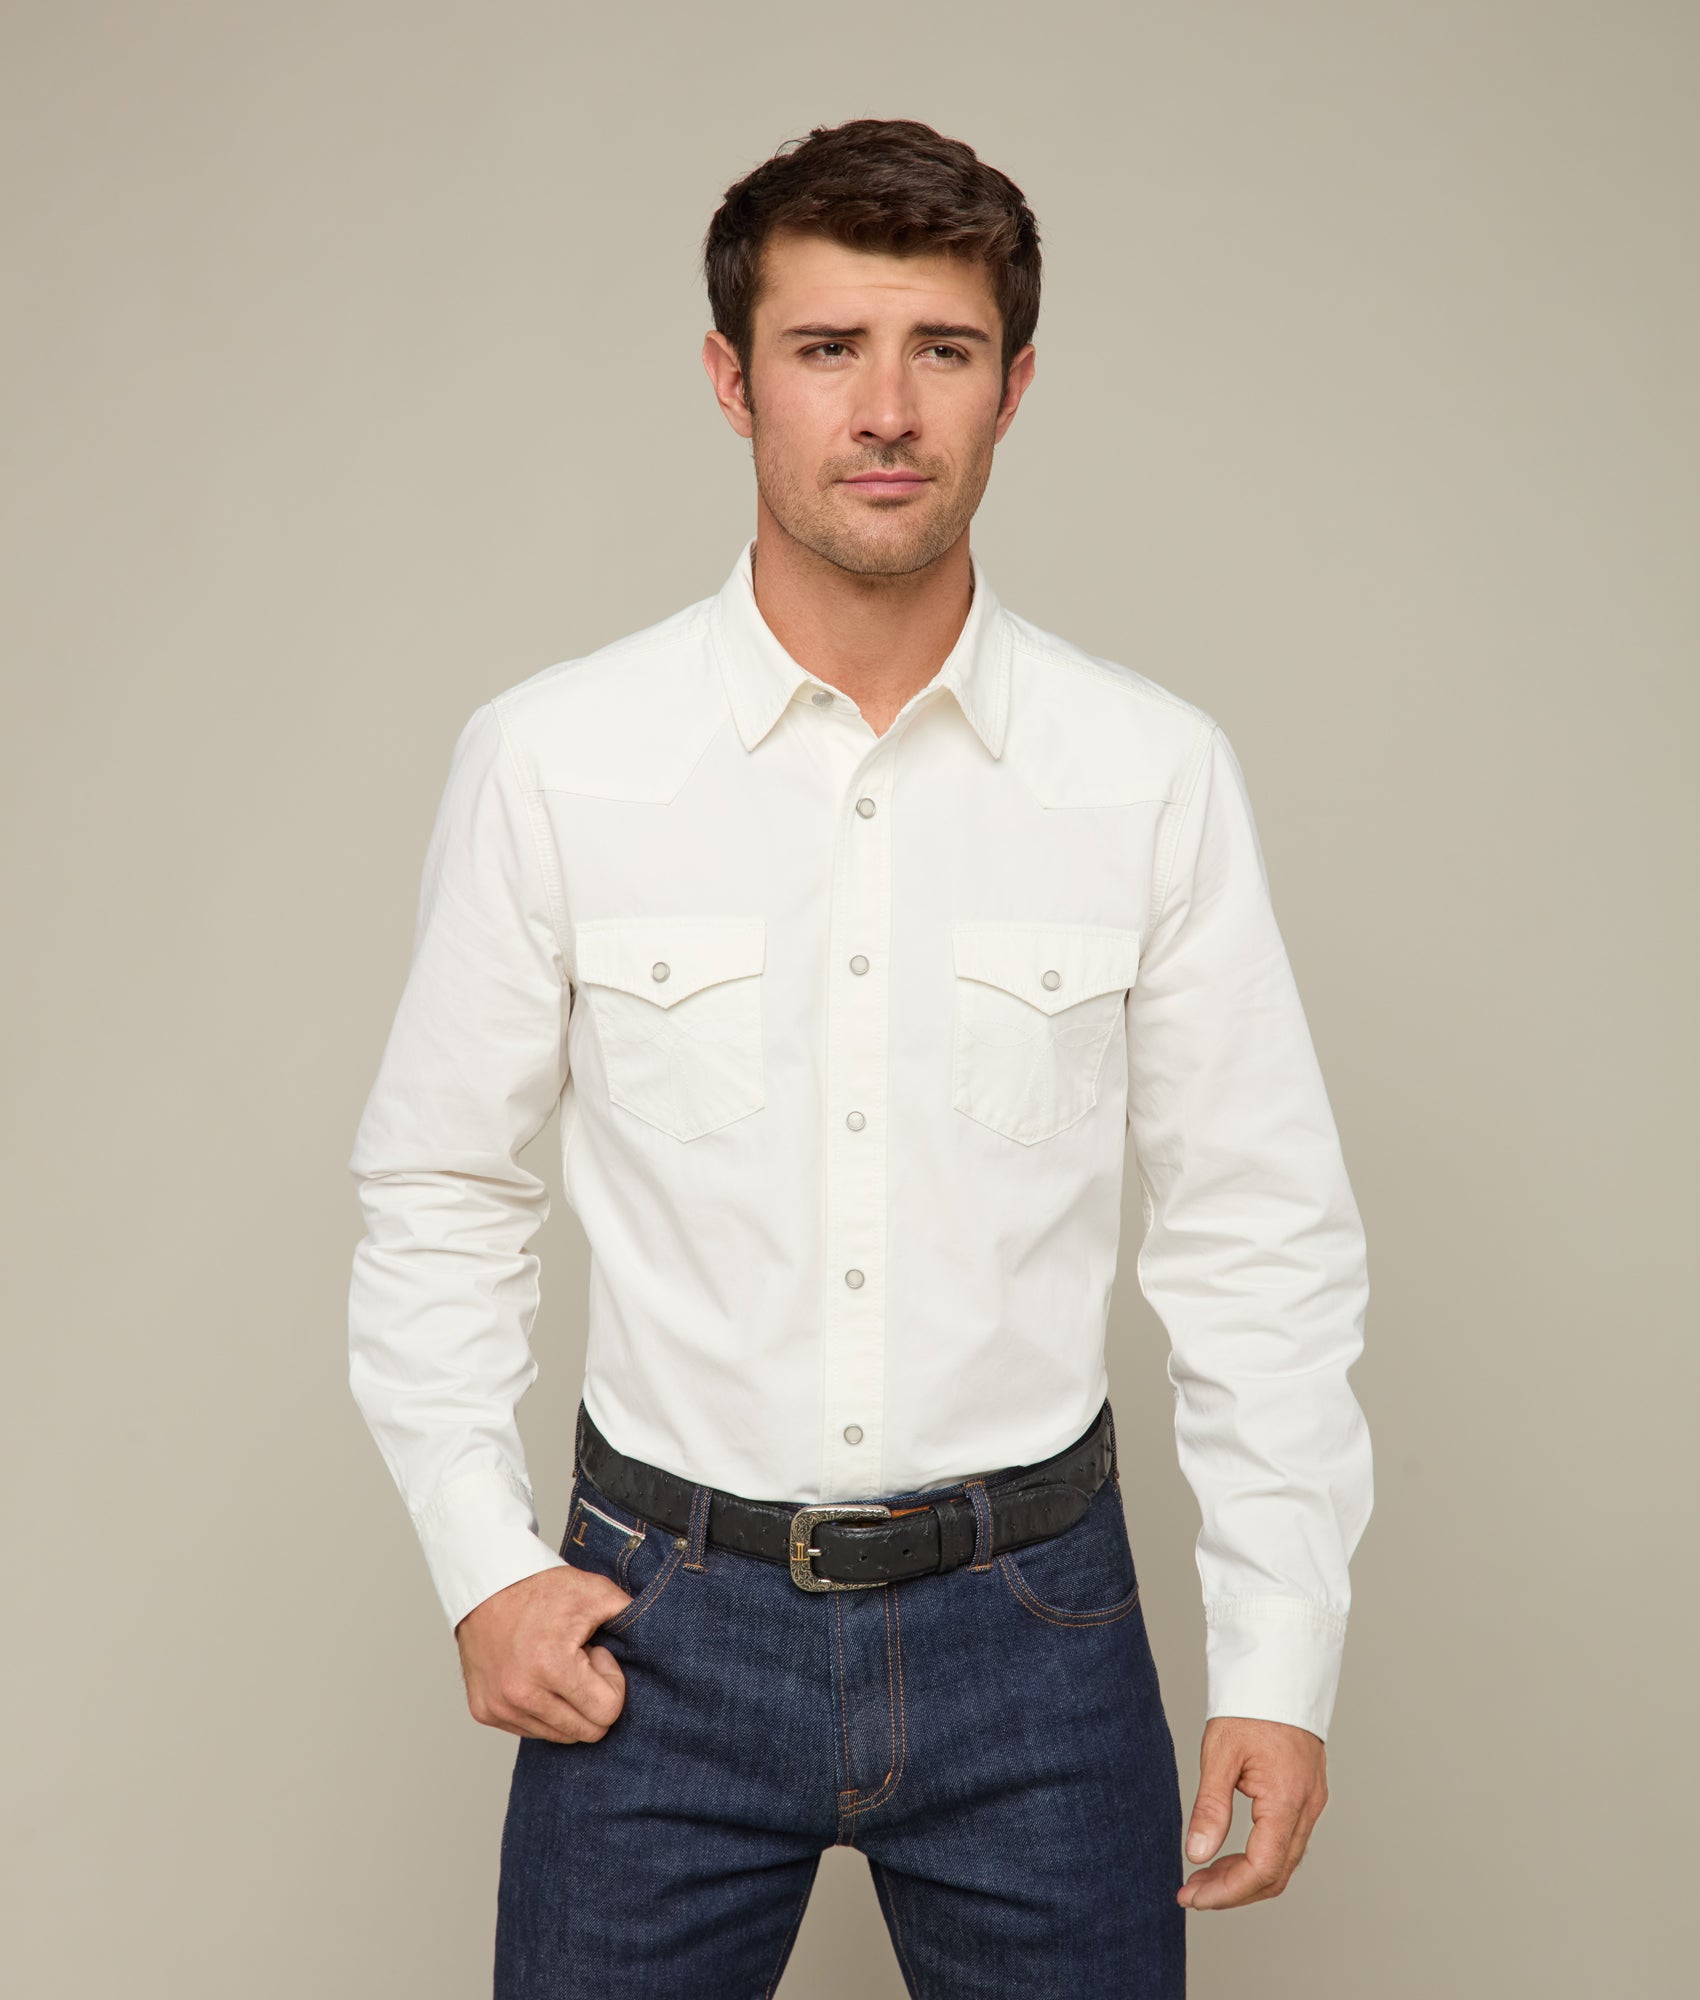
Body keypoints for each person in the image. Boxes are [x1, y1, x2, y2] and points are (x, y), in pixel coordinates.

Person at [346, 116, 1373, 1999]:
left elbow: (1260, 1232)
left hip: (1037, 1632)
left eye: (942, 350)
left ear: (1015, 385)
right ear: (732, 379)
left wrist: (1282, 1660)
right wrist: (481, 1559)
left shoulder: (1149, 772)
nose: (887, 410)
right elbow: (440, 1189)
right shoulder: (556, 758)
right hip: (656, 1624)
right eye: (828, 349)